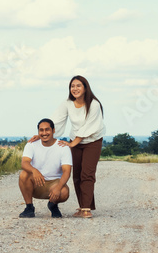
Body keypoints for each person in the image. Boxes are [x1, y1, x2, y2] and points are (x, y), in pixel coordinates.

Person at [31, 75, 105, 218]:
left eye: (78, 85)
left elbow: (89, 127)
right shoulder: (68, 103)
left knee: (87, 174)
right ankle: (83, 206)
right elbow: (55, 121)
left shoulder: (94, 104)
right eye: (72, 86)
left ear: (85, 88)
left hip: (92, 141)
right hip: (75, 140)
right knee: (76, 175)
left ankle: (86, 209)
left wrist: (72, 143)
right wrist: (42, 133)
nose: (75, 88)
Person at [19, 118, 73, 219]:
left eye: (47, 129)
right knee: (24, 174)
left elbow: (67, 171)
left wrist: (58, 187)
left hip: (54, 184)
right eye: (41, 130)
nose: (44, 133)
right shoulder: (31, 144)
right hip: (36, 182)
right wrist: (34, 170)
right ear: (38, 131)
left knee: (64, 192)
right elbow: (24, 163)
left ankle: (53, 205)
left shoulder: (63, 147)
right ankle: (29, 208)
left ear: (53, 130)